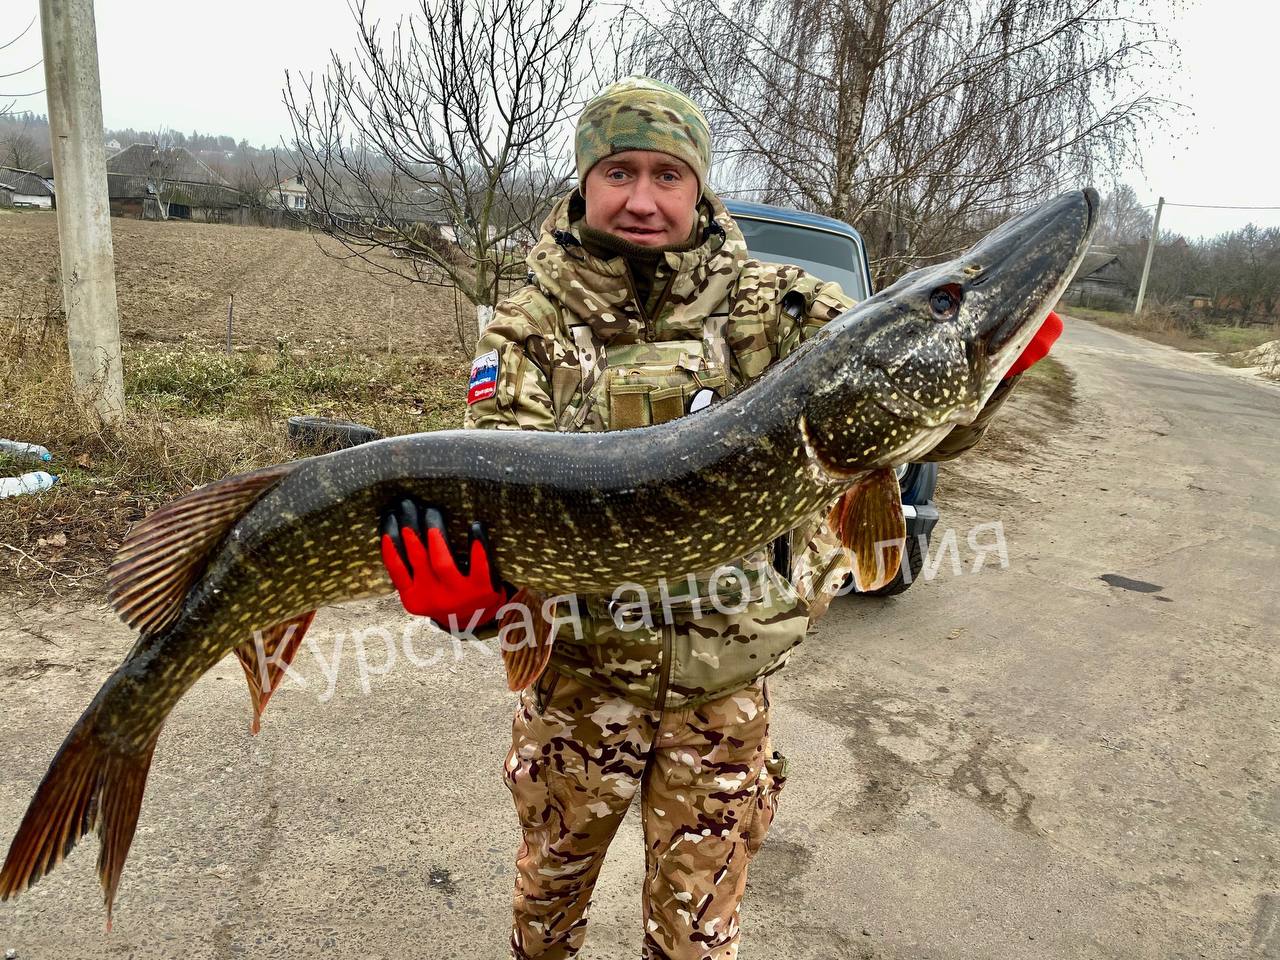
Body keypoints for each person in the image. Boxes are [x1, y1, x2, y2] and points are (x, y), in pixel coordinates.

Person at [378, 77, 1062, 960]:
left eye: (668, 174)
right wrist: (473, 597)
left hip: (724, 698)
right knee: (545, 913)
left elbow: (900, 409)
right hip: (577, 694)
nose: (642, 197)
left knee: (697, 942)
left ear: (700, 188)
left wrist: (983, 375)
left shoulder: (783, 307)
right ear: (584, 183)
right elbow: (490, 490)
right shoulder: (528, 325)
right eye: (619, 171)